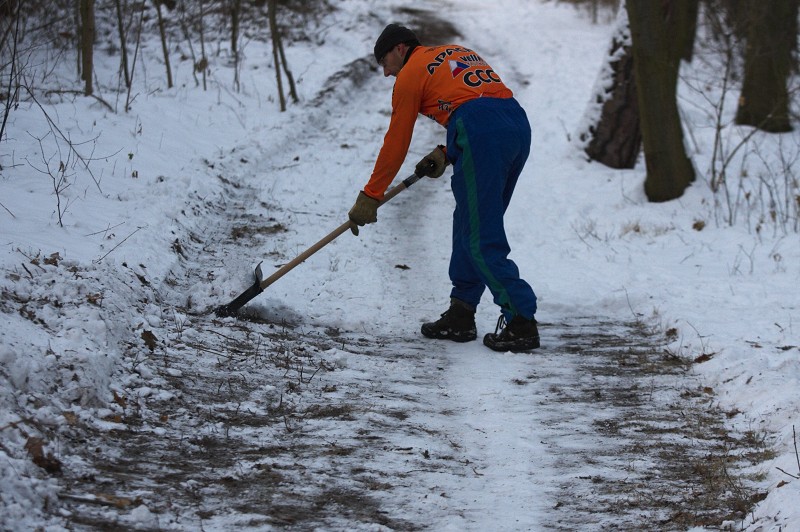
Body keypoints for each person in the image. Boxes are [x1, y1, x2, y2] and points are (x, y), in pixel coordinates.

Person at [348, 23, 540, 352]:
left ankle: (522, 320)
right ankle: (461, 314)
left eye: (384, 63)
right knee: (470, 223)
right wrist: (449, 150)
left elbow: (396, 142)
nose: (385, 73)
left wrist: (371, 195)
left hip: (480, 133)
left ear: (398, 49)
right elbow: (477, 101)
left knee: (480, 235)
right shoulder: (457, 51)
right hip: (516, 125)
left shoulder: (409, 75)